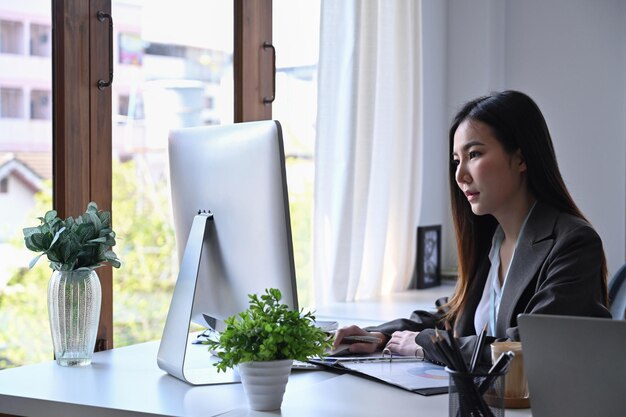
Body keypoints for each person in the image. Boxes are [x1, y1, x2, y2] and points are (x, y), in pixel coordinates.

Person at [333, 90, 611, 369]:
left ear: (521, 158)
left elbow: (527, 349)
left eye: (474, 154)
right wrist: (380, 335)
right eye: (456, 160)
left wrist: (425, 344)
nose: (460, 174)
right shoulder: (493, 240)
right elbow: (453, 312)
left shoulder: (573, 243)